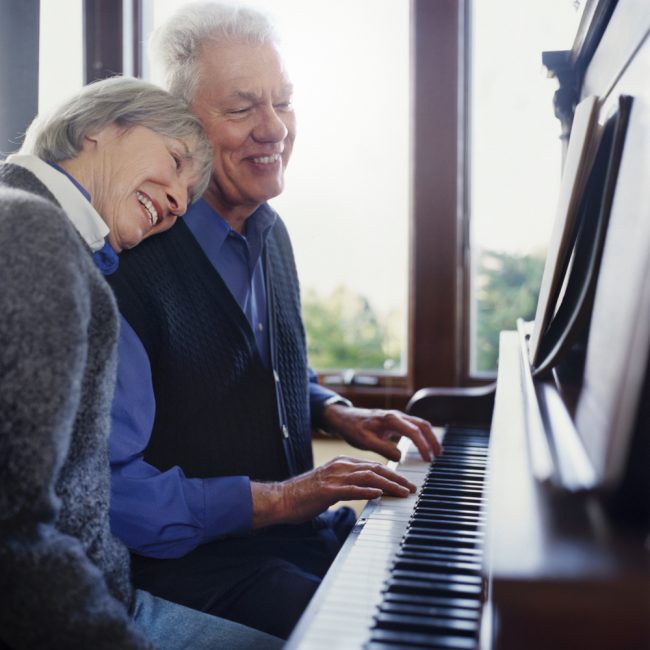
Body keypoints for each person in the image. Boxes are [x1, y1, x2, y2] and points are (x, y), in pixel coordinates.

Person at [107, 1, 443, 639]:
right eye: (242, 108)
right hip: (195, 571)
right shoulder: (135, 267)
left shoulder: (269, 232)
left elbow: (251, 368)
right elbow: (115, 495)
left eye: (283, 102)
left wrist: (336, 411)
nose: (274, 129)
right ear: (184, 127)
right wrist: (286, 497)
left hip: (293, 542)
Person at [0, 76, 283, 650]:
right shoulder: (34, 234)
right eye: (176, 160)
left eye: (189, 191)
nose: (179, 201)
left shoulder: (46, 235)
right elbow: (15, 535)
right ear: (97, 129)